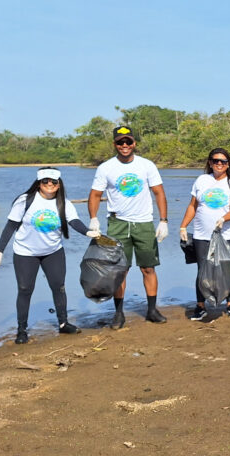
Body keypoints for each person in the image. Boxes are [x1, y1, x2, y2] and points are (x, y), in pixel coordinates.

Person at [0, 167, 96, 343]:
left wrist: (87, 232)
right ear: (39, 183)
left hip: (53, 252)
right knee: (25, 289)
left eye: (54, 182)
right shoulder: (25, 201)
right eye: (45, 181)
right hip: (25, 253)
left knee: (58, 286)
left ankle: (63, 324)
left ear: (59, 184)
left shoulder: (64, 203)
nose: (50, 184)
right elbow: (10, 226)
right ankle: (22, 330)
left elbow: (74, 222)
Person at [87, 126, 169, 329]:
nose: (124, 146)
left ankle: (151, 310)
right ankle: (118, 313)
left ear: (134, 143)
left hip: (143, 223)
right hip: (118, 224)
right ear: (114, 144)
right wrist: (93, 218)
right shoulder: (106, 168)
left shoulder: (146, 165)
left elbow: (158, 192)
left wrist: (163, 221)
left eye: (128, 142)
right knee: (119, 270)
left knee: (148, 268)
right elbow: (95, 194)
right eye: (120, 142)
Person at [179, 148, 230, 321]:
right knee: (203, 271)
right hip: (202, 235)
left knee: (225, 269)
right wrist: (183, 226)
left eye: (223, 161)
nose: (219, 164)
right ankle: (201, 306)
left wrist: (223, 218)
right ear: (210, 162)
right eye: (216, 161)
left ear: (228, 164)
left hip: (224, 234)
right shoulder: (202, 180)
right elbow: (193, 206)